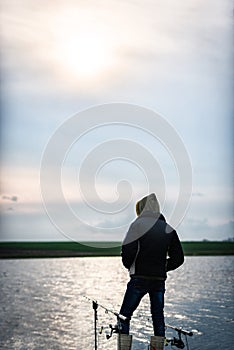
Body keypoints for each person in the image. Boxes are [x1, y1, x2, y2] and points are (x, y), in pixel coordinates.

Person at [118, 193, 184, 350]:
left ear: (141, 208)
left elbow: (128, 251)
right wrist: (163, 267)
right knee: (158, 317)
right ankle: (158, 348)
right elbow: (178, 258)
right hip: (158, 280)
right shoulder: (168, 228)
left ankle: (123, 348)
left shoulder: (137, 225)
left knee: (124, 316)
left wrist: (131, 266)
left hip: (139, 278)